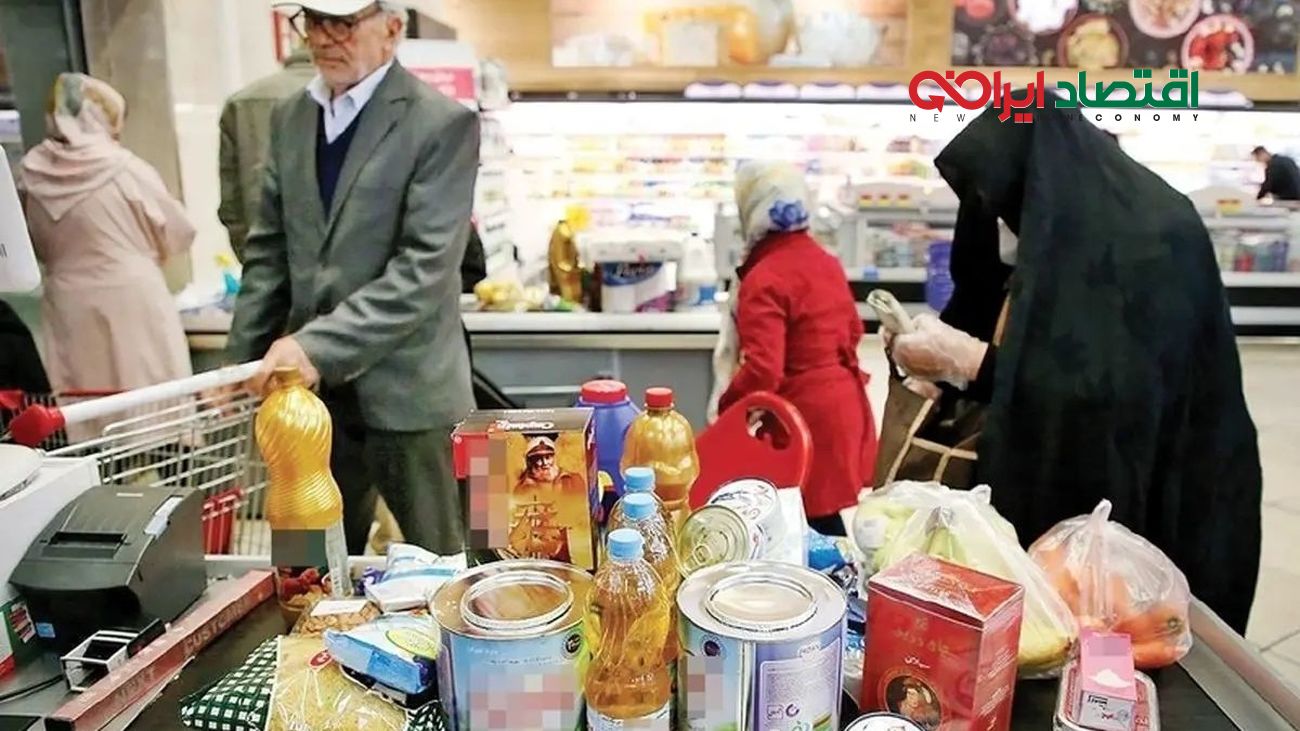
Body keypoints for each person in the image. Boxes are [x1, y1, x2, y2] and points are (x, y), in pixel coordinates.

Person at [887, 103, 1261, 633]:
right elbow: (1018, 332)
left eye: (1006, 203)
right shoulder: (1059, 231)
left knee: (1127, 634)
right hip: (1069, 494)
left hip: (1164, 488)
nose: (997, 221)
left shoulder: (1148, 238)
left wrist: (971, 363)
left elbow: (1115, 399)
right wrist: (932, 360)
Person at [225, 0, 480, 556]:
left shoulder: (441, 123)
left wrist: (315, 346)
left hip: (411, 393)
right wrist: (240, 356)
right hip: (309, 401)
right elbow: (269, 250)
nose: (323, 37)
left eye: (342, 23)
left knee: (448, 563)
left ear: (392, 28)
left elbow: (424, 268)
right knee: (307, 564)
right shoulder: (292, 118)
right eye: (313, 21)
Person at [19, 73, 194, 436]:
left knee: (87, 410)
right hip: (134, 299)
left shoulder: (30, 176)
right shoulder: (126, 169)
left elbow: (29, 243)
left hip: (68, 303)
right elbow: (180, 231)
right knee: (153, 408)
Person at [712, 161, 877, 537]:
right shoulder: (826, 261)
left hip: (803, 417)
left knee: (799, 524)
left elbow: (764, 368)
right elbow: (853, 330)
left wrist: (728, 409)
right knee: (823, 520)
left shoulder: (766, 276)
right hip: (845, 406)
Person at [219, 48, 316, 262]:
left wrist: (248, 254)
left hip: (262, 246)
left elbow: (230, 202)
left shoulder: (241, 102)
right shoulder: (345, 94)